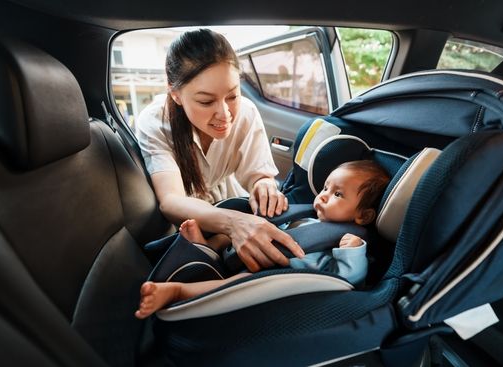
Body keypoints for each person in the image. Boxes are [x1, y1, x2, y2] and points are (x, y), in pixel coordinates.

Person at [135, 28, 304, 272]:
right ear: (175, 94)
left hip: (231, 201)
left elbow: (258, 174)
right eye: (206, 101)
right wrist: (234, 224)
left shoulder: (246, 112)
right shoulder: (154, 123)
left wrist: (264, 186)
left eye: (232, 95)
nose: (225, 114)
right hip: (189, 215)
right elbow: (171, 200)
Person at [135, 160, 390, 319]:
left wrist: (353, 252)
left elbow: (349, 279)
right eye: (325, 187)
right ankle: (207, 248)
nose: (322, 196)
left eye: (337, 194)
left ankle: (180, 291)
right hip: (254, 251)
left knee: (240, 282)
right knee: (227, 234)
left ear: (363, 215)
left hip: (273, 276)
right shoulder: (311, 217)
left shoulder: (351, 242)